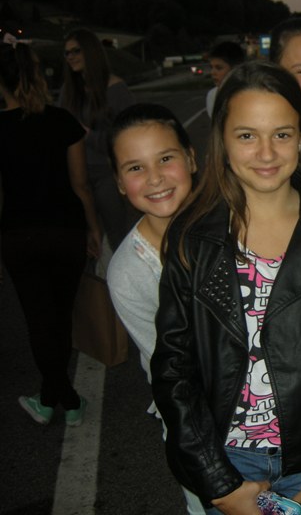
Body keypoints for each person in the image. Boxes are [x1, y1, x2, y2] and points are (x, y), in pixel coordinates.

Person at [150, 61, 301, 514]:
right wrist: (218, 482)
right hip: (229, 460)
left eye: (281, 134)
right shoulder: (192, 239)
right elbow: (173, 369)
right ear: (222, 139)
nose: (265, 152)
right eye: (246, 135)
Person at [105, 103, 203, 514]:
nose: (155, 178)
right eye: (135, 167)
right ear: (118, 182)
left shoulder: (239, 223)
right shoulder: (129, 272)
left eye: (165, 158)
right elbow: (173, 371)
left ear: (191, 158)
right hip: (199, 426)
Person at [0, 39, 101, 427]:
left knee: (39, 319)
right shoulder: (62, 121)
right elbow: (81, 185)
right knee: (59, 316)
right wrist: (93, 228)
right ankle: (62, 398)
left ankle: (55, 399)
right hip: (65, 231)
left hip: (18, 234)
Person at [59, 28, 137, 250]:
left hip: (107, 176)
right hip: (75, 177)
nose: (71, 57)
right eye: (67, 53)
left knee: (118, 238)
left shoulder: (116, 88)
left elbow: (129, 138)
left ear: (90, 51)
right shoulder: (68, 91)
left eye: (76, 51)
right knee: (87, 242)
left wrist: (87, 134)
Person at [206, 41, 246, 117]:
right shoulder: (213, 95)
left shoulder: (250, 94)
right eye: (211, 67)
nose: (212, 72)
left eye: (219, 68)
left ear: (235, 69)